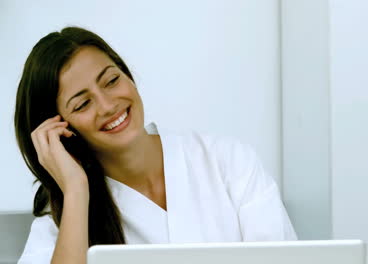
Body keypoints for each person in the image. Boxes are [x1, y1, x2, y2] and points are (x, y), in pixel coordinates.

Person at [15, 26, 297, 264]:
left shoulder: (228, 162)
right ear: (62, 129)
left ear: (128, 76)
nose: (108, 105)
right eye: (83, 104)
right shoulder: (63, 218)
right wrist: (76, 189)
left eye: (112, 80)